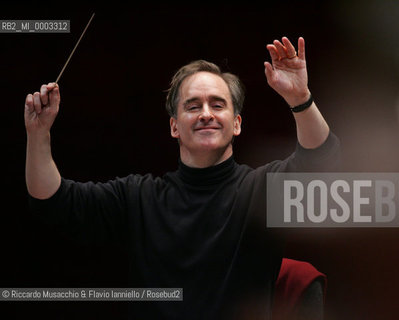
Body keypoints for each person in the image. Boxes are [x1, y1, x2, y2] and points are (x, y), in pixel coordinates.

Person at [24, 36, 340, 319]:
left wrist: (301, 98)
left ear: (237, 124)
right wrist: (38, 134)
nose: (206, 113)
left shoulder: (261, 189)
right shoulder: (140, 197)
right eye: (193, 106)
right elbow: (53, 200)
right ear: (175, 126)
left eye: (218, 104)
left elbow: (321, 161)